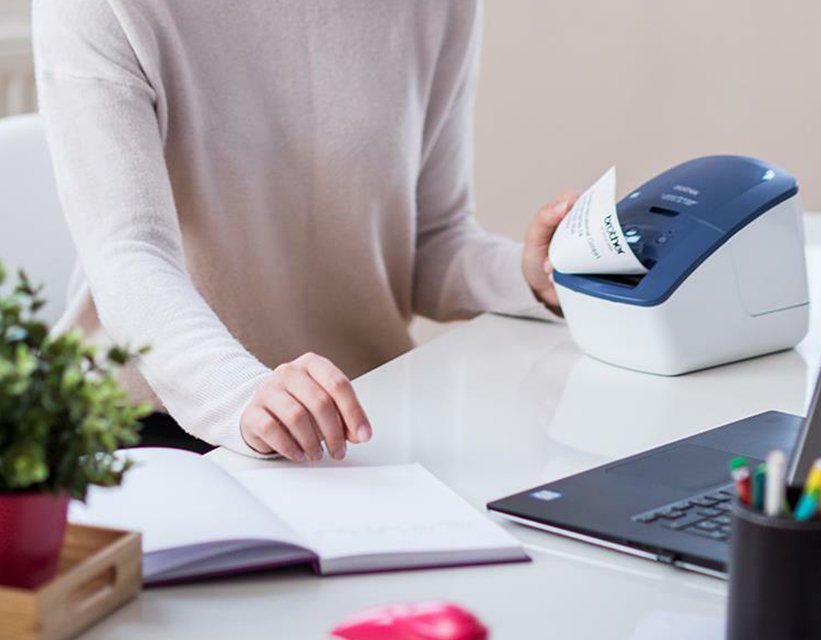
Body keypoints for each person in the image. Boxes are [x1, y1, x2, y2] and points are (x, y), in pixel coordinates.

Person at [32, 1, 574, 460]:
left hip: (354, 417)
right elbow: (128, 251)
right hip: (147, 425)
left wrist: (528, 276)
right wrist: (245, 395)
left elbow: (430, 240)